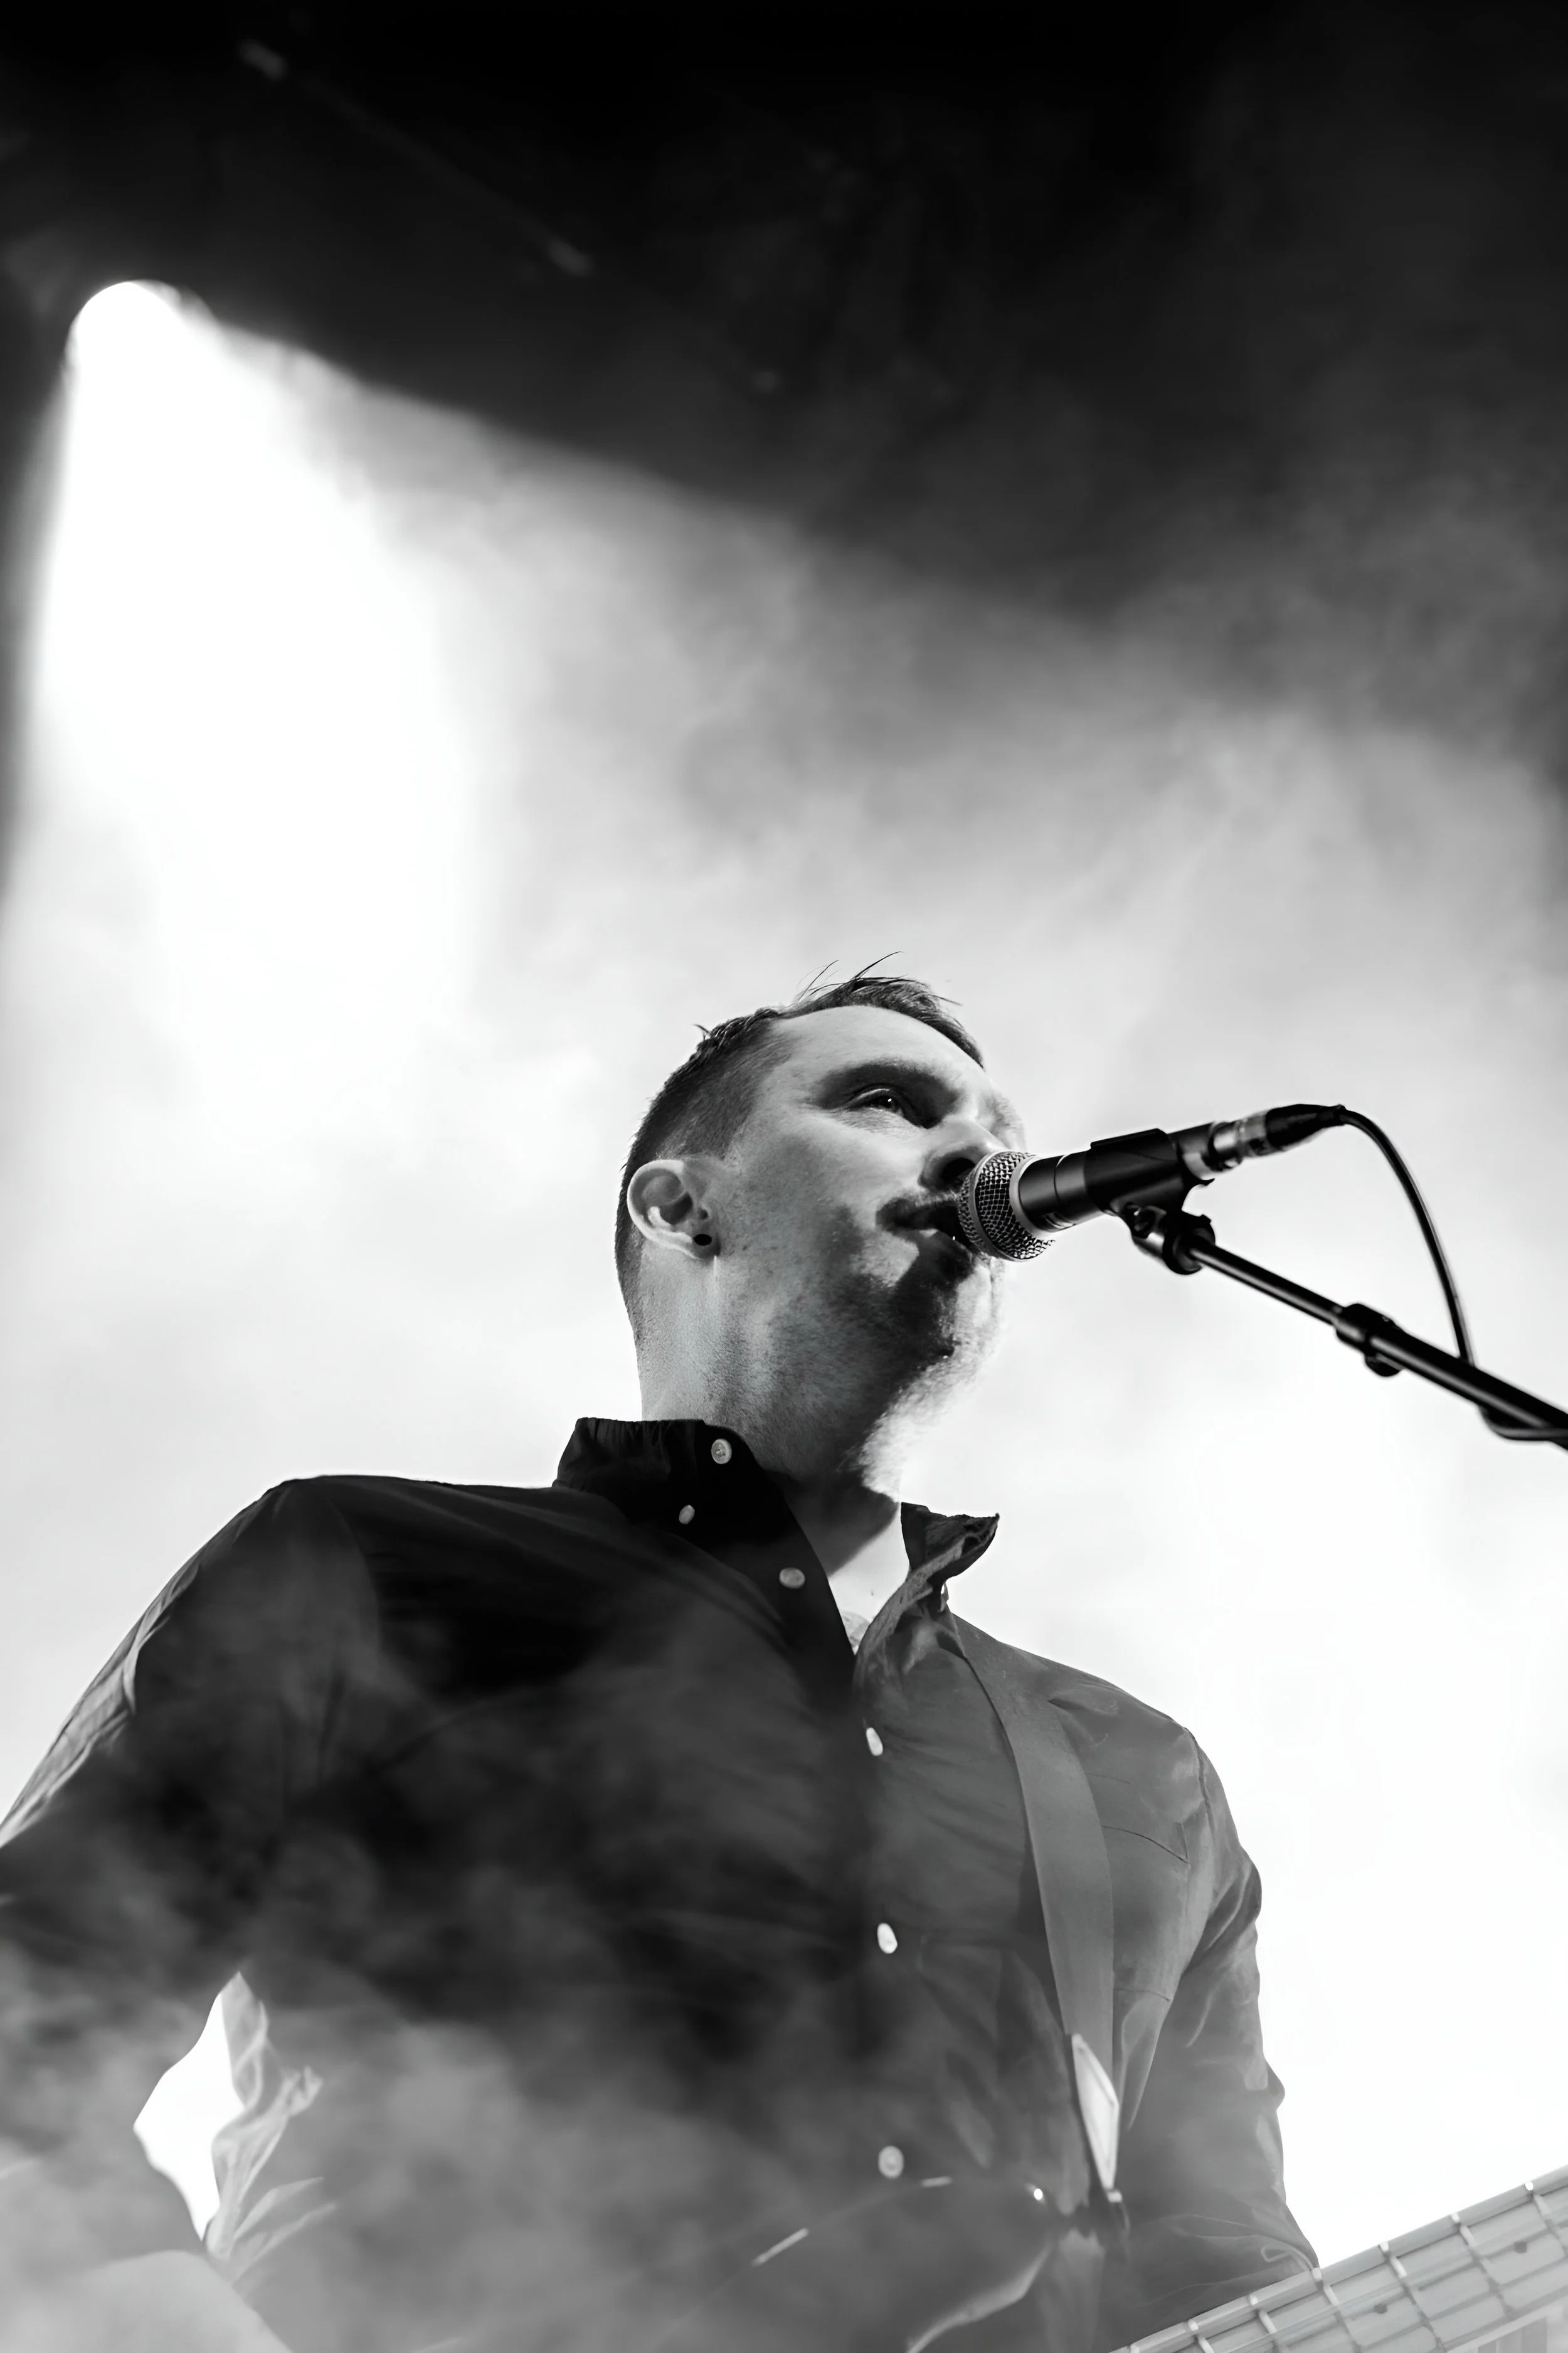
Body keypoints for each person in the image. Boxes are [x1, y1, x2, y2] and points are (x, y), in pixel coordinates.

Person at [0, 972, 1315, 2353]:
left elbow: (1225, 2279)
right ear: (680, 1204)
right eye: (887, 1102)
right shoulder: (365, 1565)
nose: (980, 1157)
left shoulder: (1135, 1775)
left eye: (996, 1124)